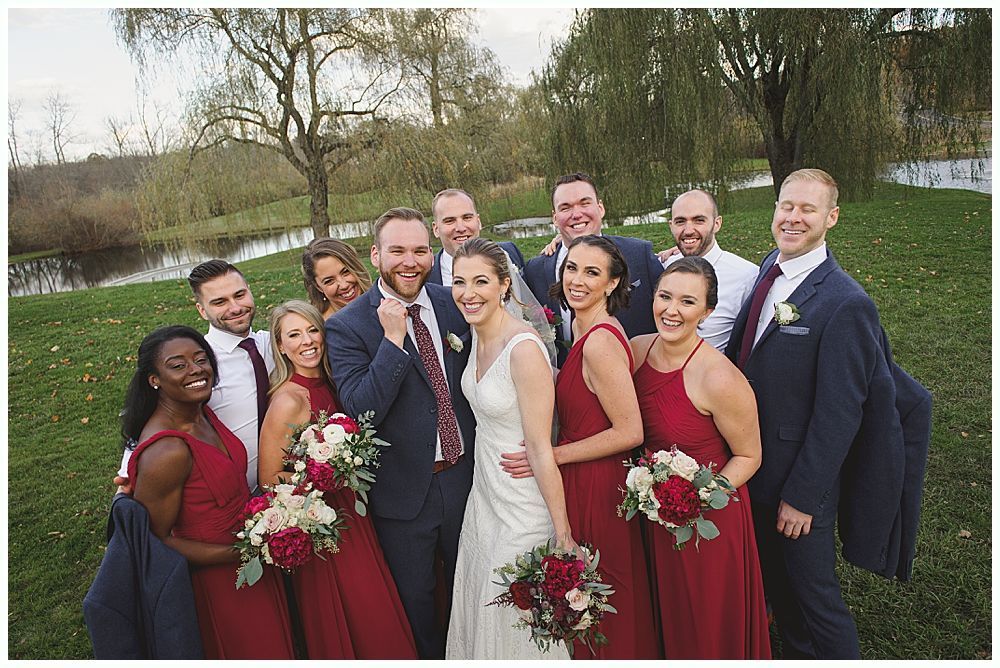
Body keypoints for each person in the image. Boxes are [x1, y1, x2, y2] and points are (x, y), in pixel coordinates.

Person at [725, 168, 873, 658]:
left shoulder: (844, 302)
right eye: (786, 206)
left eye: (808, 209)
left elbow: (840, 413)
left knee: (815, 599)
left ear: (831, 218)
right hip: (756, 466)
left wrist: (803, 497)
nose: (793, 218)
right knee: (781, 594)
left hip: (796, 482)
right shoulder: (772, 266)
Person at [325, 207, 477, 659]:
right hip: (404, 493)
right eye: (397, 251)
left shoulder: (454, 303)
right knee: (418, 603)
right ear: (375, 255)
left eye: (418, 250)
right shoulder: (347, 326)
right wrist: (392, 341)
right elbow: (361, 410)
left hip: (466, 476)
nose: (409, 262)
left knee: (469, 589)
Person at [505, 235, 658, 659]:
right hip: (582, 474)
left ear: (612, 284)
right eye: (572, 267)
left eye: (592, 272)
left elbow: (630, 431)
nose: (577, 279)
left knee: (603, 594)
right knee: (585, 596)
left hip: (597, 481)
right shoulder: (578, 324)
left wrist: (551, 456)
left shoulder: (600, 341)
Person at [120, 325, 294, 659]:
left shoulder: (202, 412)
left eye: (201, 359)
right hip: (219, 582)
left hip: (253, 561)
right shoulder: (167, 451)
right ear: (153, 379)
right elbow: (156, 542)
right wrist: (245, 550)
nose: (196, 369)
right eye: (178, 365)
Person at [257, 301, 416, 659]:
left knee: (375, 603)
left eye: (312, 330)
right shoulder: (287, 399)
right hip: (325, 518)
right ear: (281, 347)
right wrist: (323, 473)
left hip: (355, 511)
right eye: (293, 335)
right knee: (358, 609)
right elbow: (269, 478)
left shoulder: (334, 383)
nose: (307, 341)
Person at [630, 257, 770, 659]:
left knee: (704, 621)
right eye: (664, 297)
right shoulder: (637, 351)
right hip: (652, 514)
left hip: (707, 522)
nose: (671, 310)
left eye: (687, 302)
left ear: (707, 311)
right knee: (664, 614)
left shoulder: (719, 377)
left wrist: (693, 499)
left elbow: (749, 455)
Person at [444, 239, 577, 660]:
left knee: (514, 610)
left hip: (523, 503)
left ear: (504, 285)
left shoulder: (523, 351)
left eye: (481, 281)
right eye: (459, 282)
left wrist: (563, 532)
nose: (468, 293)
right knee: (482, 599)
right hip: (485, 497)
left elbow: (540, 447)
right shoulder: (476, 336)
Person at [118, 260, 272, 493]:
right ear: (201, 310)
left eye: (239, 295)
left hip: (282, 482)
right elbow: (151, 413)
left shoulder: (274, 344)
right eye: (219, 302)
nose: (235, 307)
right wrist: (128, 473)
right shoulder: (197, 365)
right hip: (229, 493)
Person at [523, 172, 665, 366]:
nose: (576, 214)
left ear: (600, 208)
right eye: (566, 207)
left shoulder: (639, 254)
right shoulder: (535, 270)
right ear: (555, 218)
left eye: (584, 203)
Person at [657, 189, 758, 351]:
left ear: (717, 223)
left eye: (699, 220)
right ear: (671, 226)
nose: (688, 230)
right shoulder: (663, 265)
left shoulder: (747, 276)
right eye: (680, 221)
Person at [427, 188, 526, 286]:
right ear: (436, 229)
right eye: (450, 221)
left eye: (467, 218)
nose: (460, 228)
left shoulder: (509, 252)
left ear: (478, 222)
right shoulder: (426, 276)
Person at [301, 237, 372, 320]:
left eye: (346, 272)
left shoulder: (385, 300)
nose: (344, 285)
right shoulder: (325, 329)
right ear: (318, 286)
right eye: (329, 281)